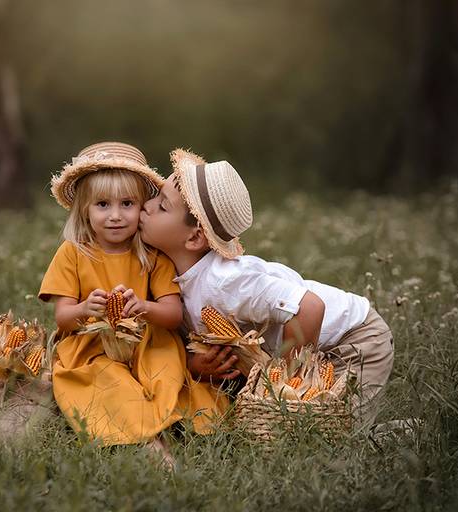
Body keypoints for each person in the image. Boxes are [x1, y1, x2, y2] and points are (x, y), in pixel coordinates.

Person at [138, 148, 394, 428]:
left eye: (162, 206)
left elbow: (310, 307)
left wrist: (282, 385)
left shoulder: (225, 281)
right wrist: (194, 364)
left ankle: (404, 433)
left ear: (195, 237)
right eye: (155, 197)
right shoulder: (168, 273)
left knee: (334, 437)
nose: (147, 206)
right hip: (314, 342)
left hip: (354, 340)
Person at [38, 142, 228, 451]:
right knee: (105, 379)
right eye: (102, 205)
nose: (115, 216)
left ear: (142, 206)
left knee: (166, 369)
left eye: (127, 203)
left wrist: (143, 307)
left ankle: (166, 419)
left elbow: (172, 314)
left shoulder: (152, 254)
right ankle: (147, 438)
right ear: (84, 209)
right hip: (93, 343)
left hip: (144, 339)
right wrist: (86, 308)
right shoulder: (73, 252)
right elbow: (63, 318)